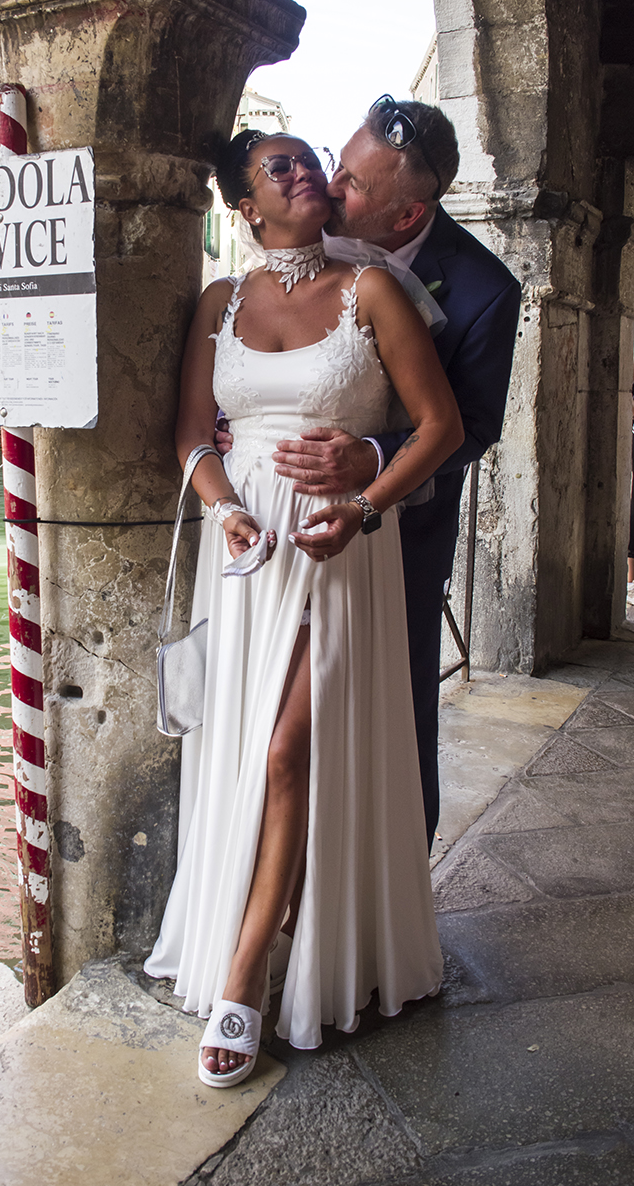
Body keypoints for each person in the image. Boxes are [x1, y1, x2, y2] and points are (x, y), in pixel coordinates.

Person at [144, 130, 464, 1088]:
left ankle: (242, 979)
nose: (303, 172)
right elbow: (193, 437)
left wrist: (367, 504)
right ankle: (269, 927)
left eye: (306, 159)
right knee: (250, 747)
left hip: (338, 551)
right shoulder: (218, 300)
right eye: (278, 168)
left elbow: (441, 427)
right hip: (246, 553)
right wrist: (226, 507)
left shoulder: (372, 293)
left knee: (289, 749)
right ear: (246, 208)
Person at [224, 99, 522, 847]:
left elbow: (472, 427)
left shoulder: (486, 292)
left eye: (352, 185)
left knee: (400, 705)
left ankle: (395, 897)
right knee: (276, 717)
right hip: (277, 529)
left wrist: (375, 461)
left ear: (406, 212)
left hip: (402, 527)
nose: (328, 187)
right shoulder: (301, 229)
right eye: (337, 164)